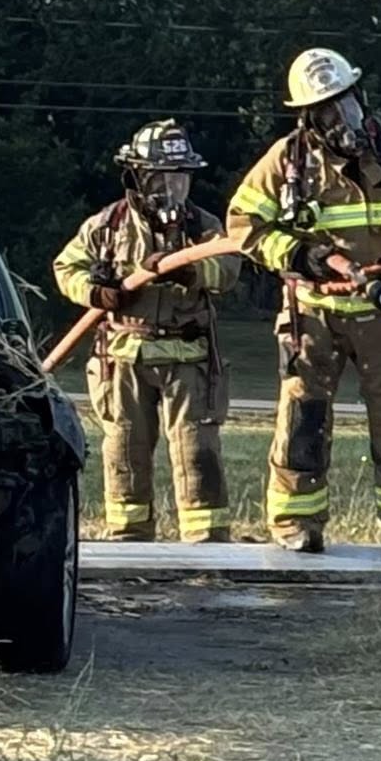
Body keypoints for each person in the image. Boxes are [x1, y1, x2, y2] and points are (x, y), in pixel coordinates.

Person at [225, 48, 381, 553]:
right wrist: (299, 255)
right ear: (308, 114)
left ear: (359, 95)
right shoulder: (287, 161)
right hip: (313, 313)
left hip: (378, 313)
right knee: (303, 417)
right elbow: (243, 222)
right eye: (328, 107)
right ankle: (294, 523)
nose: (342, 115)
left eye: (346, 101)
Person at [53, 120, 241, 542]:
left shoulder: (203, 227)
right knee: (124, 449)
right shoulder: (107, 227)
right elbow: (66, 268)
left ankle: (207, 539)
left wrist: (192, 269)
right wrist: (95, 292)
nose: (171, 189)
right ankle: (128, 533)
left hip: (189, 358)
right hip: (123, 355)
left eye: (179, 178)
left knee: (197, 450)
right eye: (160, 177)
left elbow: (229, 266)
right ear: (136, 176)